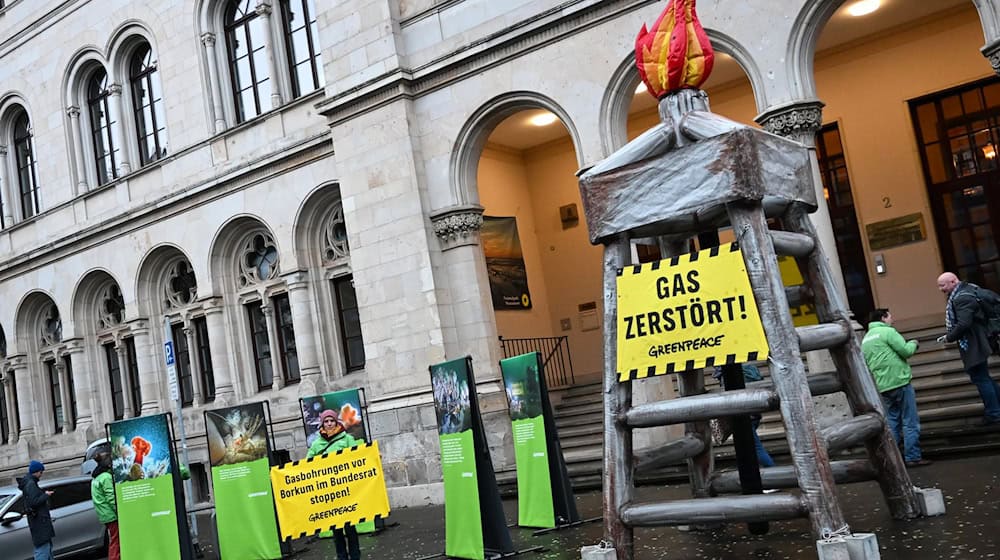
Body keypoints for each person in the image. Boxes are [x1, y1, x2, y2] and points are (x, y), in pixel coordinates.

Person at [862, 308, 930, 467]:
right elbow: (905, 351)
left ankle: (891, 457)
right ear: (883, 317)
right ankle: (913, 456)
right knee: (910, 421)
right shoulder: (888, 332)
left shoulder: (866, 338)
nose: (893, 319)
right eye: (890, 316)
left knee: (892, 421)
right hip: (899, 381)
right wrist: (914, 343)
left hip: (882, 385)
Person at [937, 272, 1000, 425]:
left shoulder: (962, 297)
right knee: (983, 376)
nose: (940, 289)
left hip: (974, 342)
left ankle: (994, 413)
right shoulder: (970, 289)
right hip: (977, 339)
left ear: (953, 281)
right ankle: (996, 409)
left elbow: (964, 324)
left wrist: (949, 337)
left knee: (980, 377)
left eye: (943, 285)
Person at [307, 409, 362, 560]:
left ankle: (356, 556)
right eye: (326, 421)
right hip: (329, 493)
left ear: (336, 422)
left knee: (350, 527)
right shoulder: (316, 444)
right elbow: (306, 466)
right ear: (322, 424)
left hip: (346, 490)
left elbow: (359, 456)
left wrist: (373, 457)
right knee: (336, 529)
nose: (329, 423)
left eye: (332, 420)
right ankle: (341, 557)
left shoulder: (347, 439)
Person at [714, 364, 774, 468]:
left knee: (755, 448)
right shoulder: (746, 370)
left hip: (743, 417)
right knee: (749, 448)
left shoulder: (728, 376)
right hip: (754, 414)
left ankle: (773, 471)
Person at [19, 460, 54, 560]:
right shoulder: (31, 484)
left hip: (39, 522)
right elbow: (34, 502)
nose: (41, 475)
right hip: (40, 523)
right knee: (43, 549)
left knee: (47, 549)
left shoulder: (29, 483)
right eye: (41, 472)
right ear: (37, 471)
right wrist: (46, 495)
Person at [91, 452, 119, 560]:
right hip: (111, 515)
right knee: (116, 541)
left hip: (105, 515)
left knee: (113, 539)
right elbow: (111, 498)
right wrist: (119, 511)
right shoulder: (106, 477)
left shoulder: (96, 478)